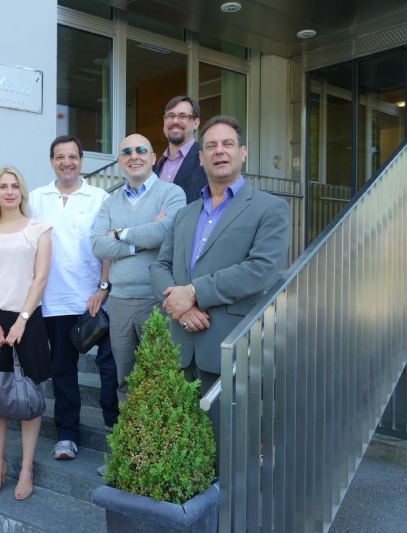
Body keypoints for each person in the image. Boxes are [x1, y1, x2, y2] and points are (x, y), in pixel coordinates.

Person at [149, 115, 290, 457]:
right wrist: (181, 310)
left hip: (229, 345)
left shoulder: (270, 208)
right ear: (200, 158)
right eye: (210, 145)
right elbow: (160, 266)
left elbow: (260, 269)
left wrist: (194, 293)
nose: (219, 151)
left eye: (228, 144)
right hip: (181, 344)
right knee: (181, 450)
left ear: (243, 152)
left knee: (227, 452)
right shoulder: (185, 214)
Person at [29, 135, 119, 461]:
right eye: (60, 156)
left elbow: (108, 245)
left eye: (73, 156)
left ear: (82, 161)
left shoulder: (99, 197)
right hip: (53, 300)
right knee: (63, 371)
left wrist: (103, 287)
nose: (67, 162)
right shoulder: (36, 198)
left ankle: (116, 427)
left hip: (94, 300)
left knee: (110, 366)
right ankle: (67, 436)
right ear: (51, 161)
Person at [0, 165, 52, 501]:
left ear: (22, 192)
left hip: (27, 321)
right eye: (2, 186)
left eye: (14, 186)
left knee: (28, 395)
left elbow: (40, 277)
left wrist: (22, 320)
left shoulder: (38, 229)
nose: (9, 191)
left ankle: (27, 468)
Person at [91, 133, 186, 403]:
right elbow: (97, 245)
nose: (134, 156)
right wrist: (140, 243)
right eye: (127, 152)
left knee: (161, 378)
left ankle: (159, 433)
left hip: (157, 300)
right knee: (126, 381)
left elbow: (164, 232)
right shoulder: (109, 202)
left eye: (141, 150)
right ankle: (131, 432)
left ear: (153, 158)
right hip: (119, 303)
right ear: (119, 161)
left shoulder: (172, 193)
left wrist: (118, 233)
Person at [154, 95, 208, 203]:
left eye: (182, 116)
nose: (175, 121)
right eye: (170, 116)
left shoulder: (206, 160)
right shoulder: (156, 165)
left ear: (196, 123)